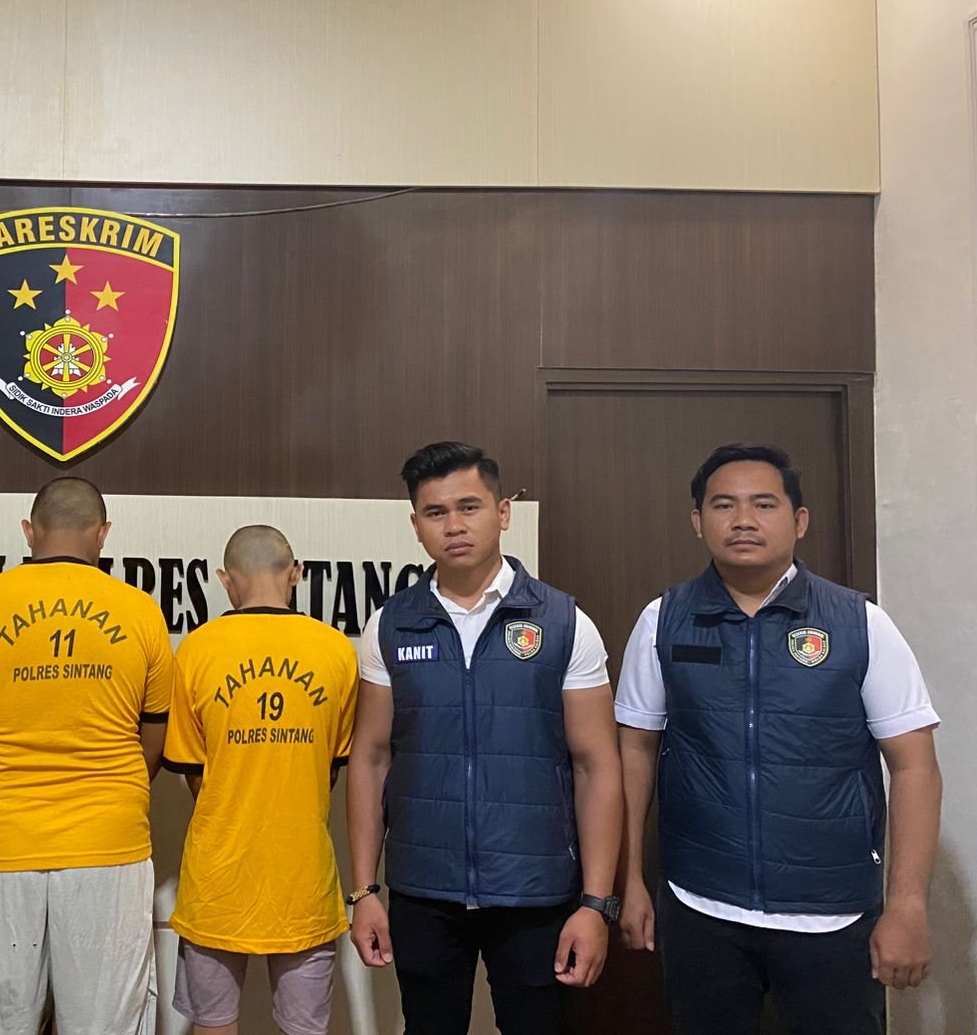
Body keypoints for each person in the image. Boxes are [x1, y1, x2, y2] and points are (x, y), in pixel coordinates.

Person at [615, 444, 942, 1035]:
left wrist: (907, 904)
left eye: (764, 504)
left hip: (833, 914)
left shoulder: (860, 623)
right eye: (724, 505)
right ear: (698, 521)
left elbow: (914, 765)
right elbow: (635, 751)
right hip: (700, 906)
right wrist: (631, 880)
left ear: (799, 520)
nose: (743, 520)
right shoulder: (663, 620)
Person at [346, 441, 623, 1034]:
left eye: (468, 507)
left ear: (502, 512)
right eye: (436, 512)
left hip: (536, 893)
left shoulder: (564, 623)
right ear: (416, 525)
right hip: (425, 891)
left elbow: (596, 764)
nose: (454, 526)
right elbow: (369, 759)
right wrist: (363, 890)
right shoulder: (390, 624)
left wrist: (596, 904)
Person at [0, 477, 174, 1035]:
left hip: (3, 841)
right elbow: (157, 735)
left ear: (29, 531)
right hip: (109, 842)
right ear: (103, 534)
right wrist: (118, 787)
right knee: (106, 1025)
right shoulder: (139, 611)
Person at [162, 525, 359, 1035]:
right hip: (303, 880)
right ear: (297, 573)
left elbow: (194, 773)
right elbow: (332, 767)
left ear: (225, 579)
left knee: (213, 1026)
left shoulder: (196, 651)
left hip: (217, 879)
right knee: (304, 1029)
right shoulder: (336, 650)